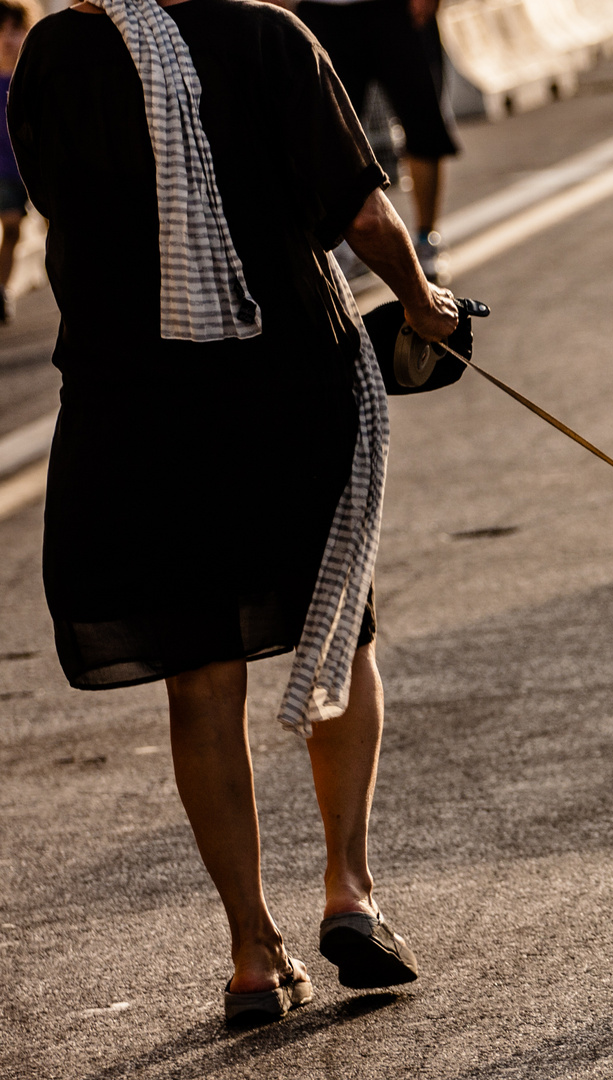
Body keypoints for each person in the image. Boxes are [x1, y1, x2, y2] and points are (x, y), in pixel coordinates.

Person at [8, 0, 458, 1022]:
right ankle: (349, 889)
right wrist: (423, 301)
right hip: (281, 387)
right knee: (340, 635)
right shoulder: (267, 34)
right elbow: (361, 211)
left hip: (133, 404)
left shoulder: (56, 51)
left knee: (199, 682)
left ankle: (252, 951)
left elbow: (54, 203)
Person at [295, 0, 458, 281]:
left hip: (396, 9)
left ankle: (426, 240)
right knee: (324, 138)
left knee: (424, 126)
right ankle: (343, 248)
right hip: (322, 9)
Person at [0, 0, 38, 322]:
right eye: (0, 32)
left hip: (34, 168)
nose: (6, 39)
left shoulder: (34, 74)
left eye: (14, 30)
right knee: (11, 224)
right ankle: (2, 291)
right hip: (3, 170)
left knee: (20, 231)